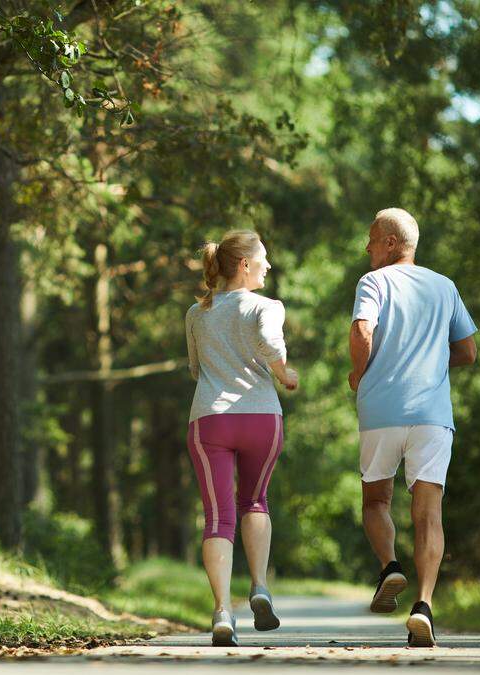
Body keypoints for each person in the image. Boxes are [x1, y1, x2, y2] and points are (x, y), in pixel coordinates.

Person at [349, 208, 477, 648]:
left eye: (371, 239)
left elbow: (363, 330)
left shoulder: (373, 282)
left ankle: (390, 566)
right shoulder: (445, 286)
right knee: (429, 513)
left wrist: (358, 372)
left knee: (375, 500)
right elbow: (468, 351)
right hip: (432, 415)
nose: (366, 248)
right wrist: (434, 363)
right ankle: (423, 606)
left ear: (389, 242)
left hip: (381, 410)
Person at [185, 229, 298, 647]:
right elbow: (271, 344)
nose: (268, 265)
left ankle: (221, 613)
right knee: (255, 500)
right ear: (245, 265)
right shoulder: (266, 306)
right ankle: (260, 586)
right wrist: (284, 373)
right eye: (263, 258)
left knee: (217, 517)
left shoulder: (197, 313)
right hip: (261, 419)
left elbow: (195, 369)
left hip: (210, 420)